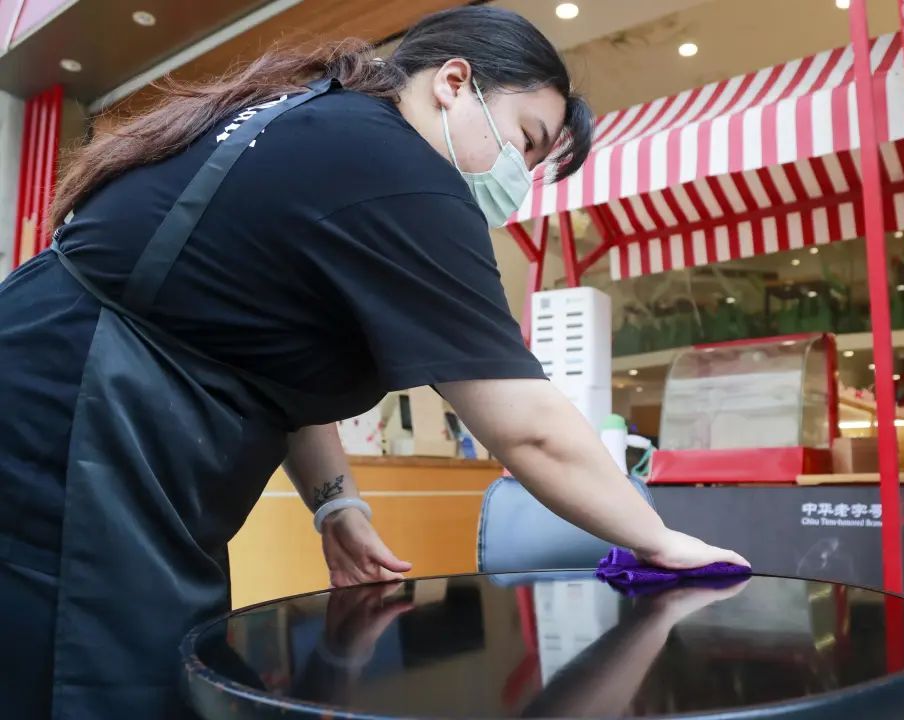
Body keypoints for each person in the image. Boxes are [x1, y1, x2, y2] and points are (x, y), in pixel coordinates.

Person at [0, 6, 748, 718]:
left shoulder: (327, 124)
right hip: (72, 414)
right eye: (525, 140)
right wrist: (658, 538)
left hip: (68, 379)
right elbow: (529, 426)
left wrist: (337, 506)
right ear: (453, 82)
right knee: (97, 681)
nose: (518, 177)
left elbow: (265, 359)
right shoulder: (400, 168)